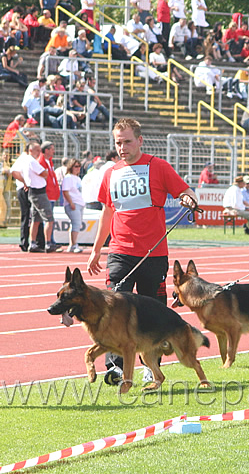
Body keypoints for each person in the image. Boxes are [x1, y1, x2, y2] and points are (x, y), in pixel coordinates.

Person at [87, 118, 199, 382]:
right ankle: (115, 366)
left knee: (153, 312)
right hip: (120, 252)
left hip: (154, 254)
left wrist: (188, 198)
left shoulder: (158, 167)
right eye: (118, 142)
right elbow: (107, 212)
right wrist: (96, 250)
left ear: (140, 140)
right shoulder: (111, 172)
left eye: (127, 141)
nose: (122, 147)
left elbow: (187, 191)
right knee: (113, 310)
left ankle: (151, 365)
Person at [10, 143, 45, 251]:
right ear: (30, 150)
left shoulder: (28, 159)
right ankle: (25, 242)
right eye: (37, 150)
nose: (39, 153)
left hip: (29, 188)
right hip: (25, 189)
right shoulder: (25, 158)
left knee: (34, 215)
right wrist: (24, 182)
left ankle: (37, 242)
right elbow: (14, 172)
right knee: (28, 215)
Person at [61, 158, 85, 252]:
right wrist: (71, 203)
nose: (78, 168)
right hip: (73, 203)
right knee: (76, 224)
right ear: (71, 167)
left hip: (79, 203)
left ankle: (72, 244)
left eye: (79, 166)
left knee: (76, 224)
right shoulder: (68, 177)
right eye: (76, 166)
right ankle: (74, 244)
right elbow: (65, 191)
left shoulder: (78, 178)